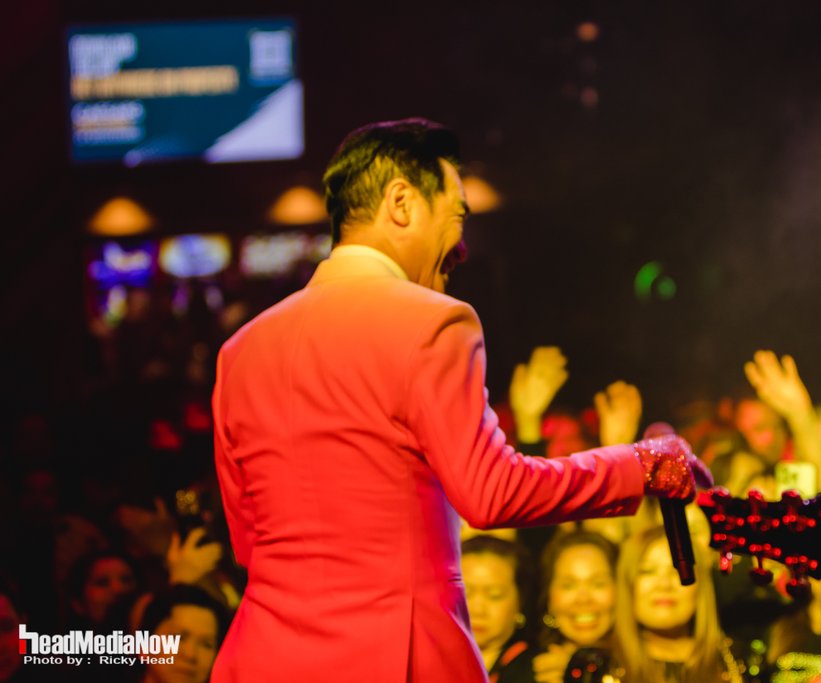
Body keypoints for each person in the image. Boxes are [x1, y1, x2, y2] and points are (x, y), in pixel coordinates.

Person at [210, 118, 705, 682]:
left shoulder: (238, 350)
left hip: (259, 659)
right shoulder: (433, 320)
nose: (463, 248)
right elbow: (491, 493)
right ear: (401, 203)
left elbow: (246, 542)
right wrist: (643, 464)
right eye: (459, 215)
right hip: (397, 660)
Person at [616, 521, 743, 683]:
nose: (664, 584)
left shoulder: (739, 662)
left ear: (700, 585)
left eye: (678, 570)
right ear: (627, 585)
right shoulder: (597, 666)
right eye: (647, 571)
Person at [534, 531, 621, 683]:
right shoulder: (525, 670)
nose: (583, 599)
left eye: (598, 584)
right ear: (549, 597)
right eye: (568, 586)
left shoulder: (646, 666)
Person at [462, 536, 539, 683]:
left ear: (520, 601)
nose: (477, 610)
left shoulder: (539, 670)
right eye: (464, 593)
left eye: (494, 595)